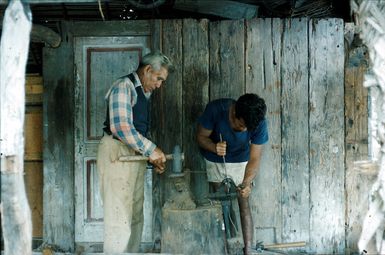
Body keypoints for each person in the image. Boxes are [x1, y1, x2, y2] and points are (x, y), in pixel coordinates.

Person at [97, 51, 173, 253]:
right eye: (159, 79)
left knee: (134, 216)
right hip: (117, 154)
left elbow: (136, 134)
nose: (159, 85)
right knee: (118, 218)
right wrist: (152, 150)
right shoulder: (124, 87)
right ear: (148, 70)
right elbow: (120, 127)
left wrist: (151, 158)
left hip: (133, 157)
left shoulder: (142, 93)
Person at [196, 93, 268, 255]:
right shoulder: (216, 109)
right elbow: (200, 137)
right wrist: (214, 147)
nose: (243, 130)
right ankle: (223, 249)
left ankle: (248, 250)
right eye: (241, 126)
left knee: (244, 200)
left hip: (242, 159)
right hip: (215, 158)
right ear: (234, 113)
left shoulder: (258, 121)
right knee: (220, 204)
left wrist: (247, 183)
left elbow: (255, 157)